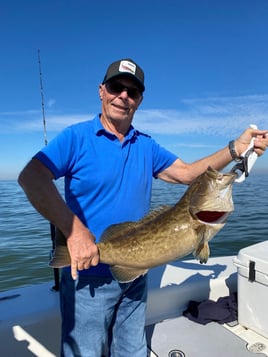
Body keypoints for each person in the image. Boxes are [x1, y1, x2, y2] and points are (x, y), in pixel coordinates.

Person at [18, 58, 268, 357]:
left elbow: (188, 173)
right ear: (102, 91)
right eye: (116, 87)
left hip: (136, 273)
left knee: (133, 349)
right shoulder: (76, 137)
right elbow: (31, 176)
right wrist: (74, 233)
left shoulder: (146, 145)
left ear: (140, 100)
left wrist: (235, 149)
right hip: (87, 277)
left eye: (132, 91)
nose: (123, 96)